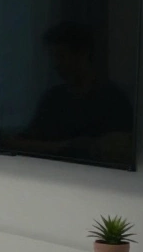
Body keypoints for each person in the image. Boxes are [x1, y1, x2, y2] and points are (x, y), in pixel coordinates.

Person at [8, 22, 135, 162]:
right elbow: (32, 135)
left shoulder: (113, 99)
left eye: (61, 56)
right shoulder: (53, 98)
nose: (56, 64)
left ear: (83, 54)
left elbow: (112, 150)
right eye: (53, 57)